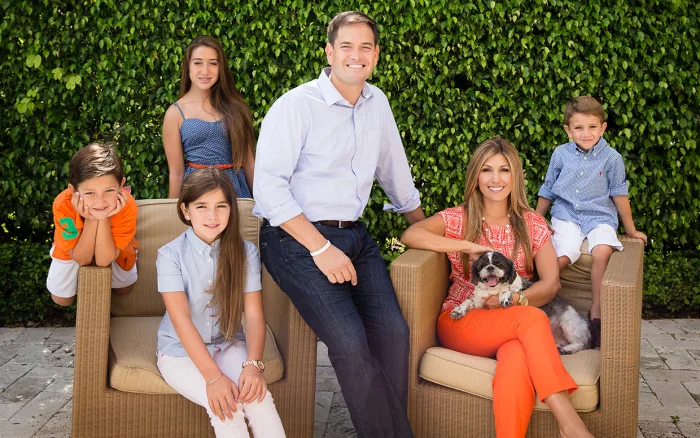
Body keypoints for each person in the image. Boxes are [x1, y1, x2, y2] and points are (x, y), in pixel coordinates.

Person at [252, 11, 425, 438]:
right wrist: (320, 249)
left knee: (392, 334)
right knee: (349, 343)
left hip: (354, 236)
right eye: (346, 46)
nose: (356, 55)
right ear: (329, 53)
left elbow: (396, 176)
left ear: (377, 55)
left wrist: (424, 232)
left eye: (366, 46)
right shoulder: (296, 106)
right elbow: (269, 191)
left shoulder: (377, 102)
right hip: (292, 237)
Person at [401, 137, 594, 438]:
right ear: (476, 177)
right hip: (463, 320)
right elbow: (411, 234)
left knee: (517, 354)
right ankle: (570, 425)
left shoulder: (532, 224)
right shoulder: (457, 218)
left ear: (515, 176)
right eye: (487, 170)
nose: (495, 179)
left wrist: (514, 298)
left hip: (510, 324)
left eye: (504, 170)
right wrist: (467, 245)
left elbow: (551, 284)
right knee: (532, 318)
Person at [156, 168, 285, 437]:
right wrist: (214, 378)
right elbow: (181, 321)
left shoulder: (245, 252)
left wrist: (253, 365)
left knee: (258, 399)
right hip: (180, 352)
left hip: (228, 343)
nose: (212, 216)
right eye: (201, 206)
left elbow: (253, 315)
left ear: (231, 210)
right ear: (186, 211)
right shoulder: (170, 255)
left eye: (221, 206)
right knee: (227, 409)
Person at [535, 96, 647, 348]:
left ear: (603, 127)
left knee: (602, 250)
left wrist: (631, 230)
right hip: (567, 214)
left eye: (592, 127)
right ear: (568, 130)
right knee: (566, 252)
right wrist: (535, 219)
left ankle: (596, 312)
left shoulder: (612, 158)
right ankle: (542, 293)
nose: (586, 133)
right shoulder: (560, 154)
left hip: (599, 216)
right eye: (579, 128)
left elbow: (619, 194)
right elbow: (549, 188)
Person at [162, 35, 255, 199]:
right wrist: (173, 214)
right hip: (198, 191)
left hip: (235, 191)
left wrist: (264, 204)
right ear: (187, 66)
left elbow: (248, 163)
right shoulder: (175, 113)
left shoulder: (235, 107)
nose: (205, 71)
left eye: (213, 63)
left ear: (221, 68)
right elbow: (176, 173)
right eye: (198, 63)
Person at [46, 143, 139, 306]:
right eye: (89, 193)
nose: (100, 201)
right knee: (62, 299)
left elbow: (103, 261)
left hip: (113, 247)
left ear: (121, 185)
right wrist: (91, 219)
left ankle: (127, 248)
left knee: (124, 289)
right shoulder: (63, 205)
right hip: (74, 246)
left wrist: (103, 217)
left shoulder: (127, 206)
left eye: (109, 191)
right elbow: (81, 259)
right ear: (74, 191)